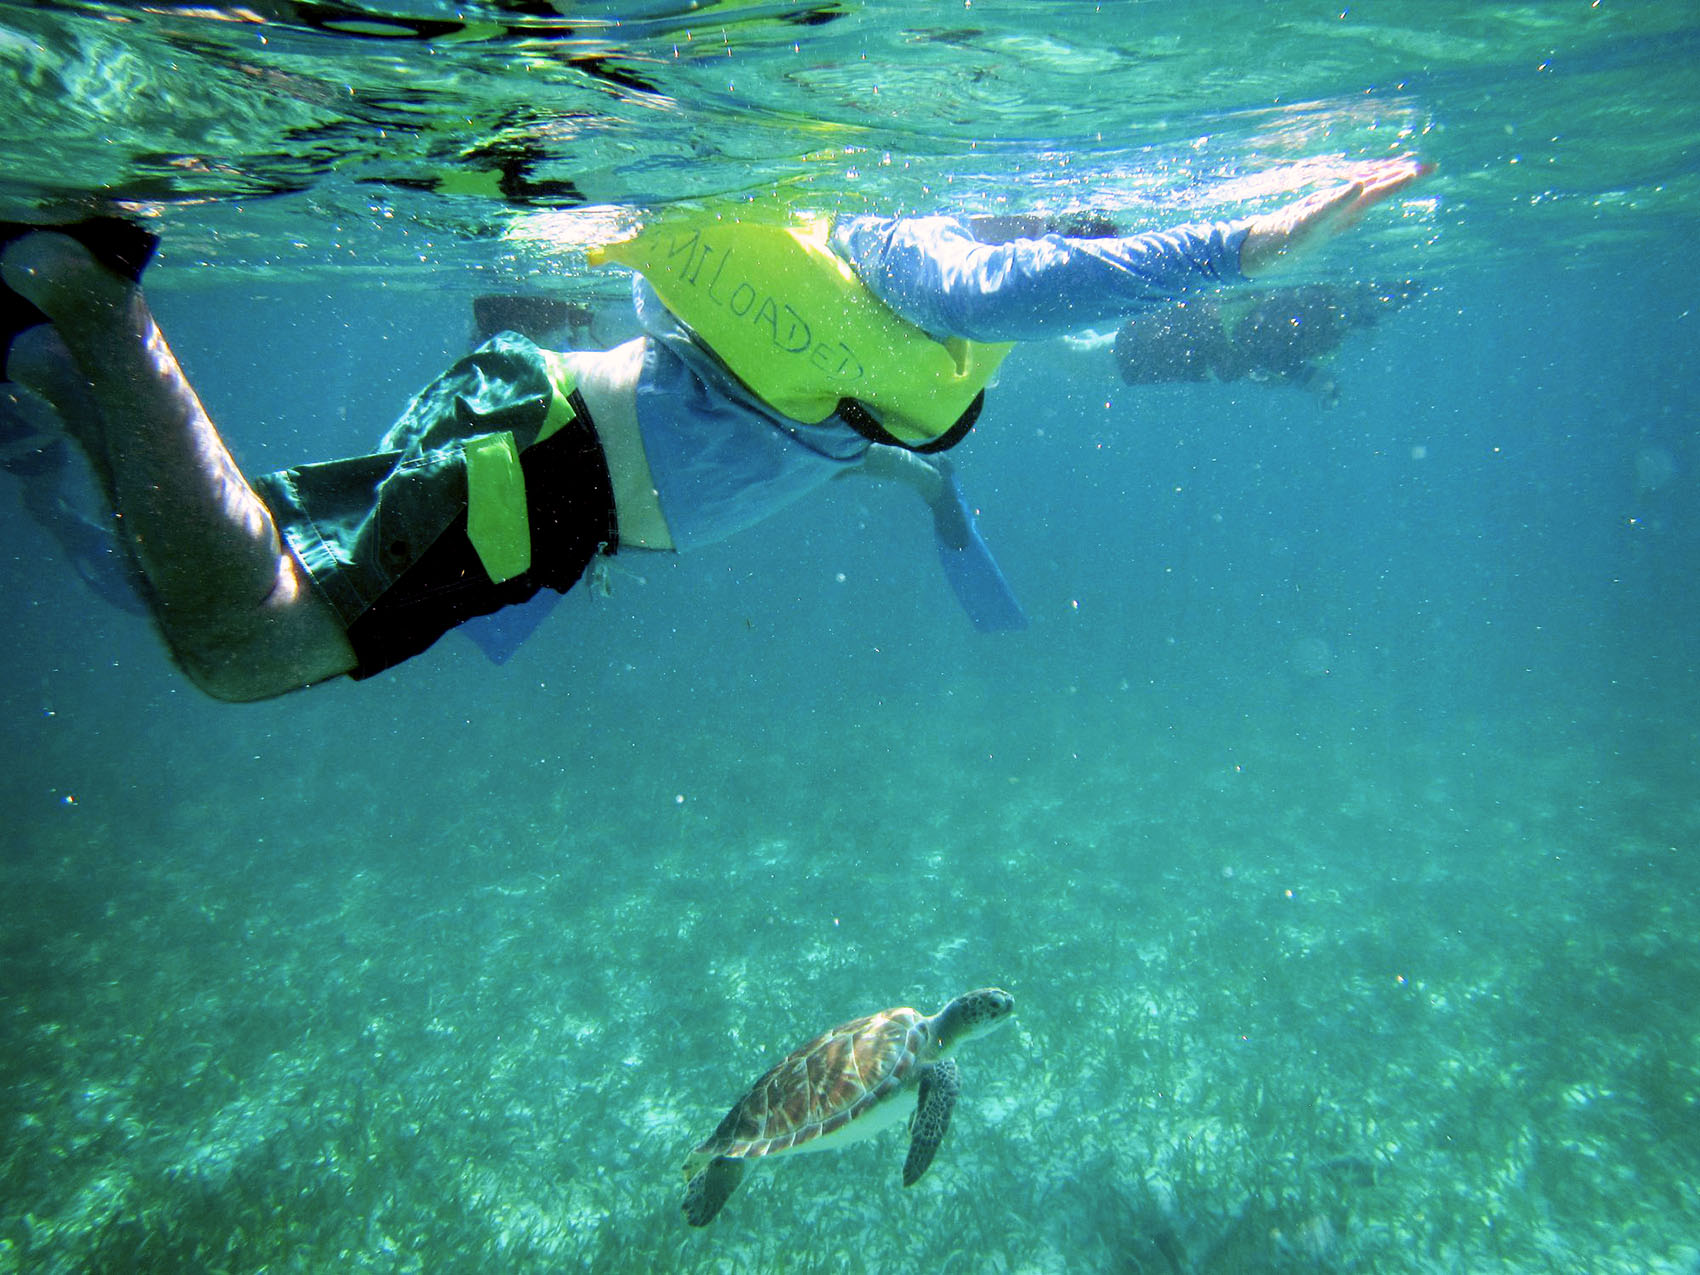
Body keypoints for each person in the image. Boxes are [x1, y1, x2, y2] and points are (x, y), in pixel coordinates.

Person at [0, 157, 1428, 701]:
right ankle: (90, 296)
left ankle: (61, 353)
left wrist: (938, 510)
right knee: (244, 644)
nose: (1058, 244)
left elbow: (852, 428)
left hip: (540, 450)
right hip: (543, 474)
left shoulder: (896, 302)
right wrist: (1243, 241)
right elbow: (1037, 281)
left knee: (219, 572)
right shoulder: (927, 256)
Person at [1112, 278, 1428, 405]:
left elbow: (1257, 348)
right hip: (1173, 342)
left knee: (1091, 357)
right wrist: (1304, 376)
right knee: (1090, 357)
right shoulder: (1318, 304)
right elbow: (1252, 335)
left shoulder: (1328, 316)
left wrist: (1280, 374)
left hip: (1191, 349)